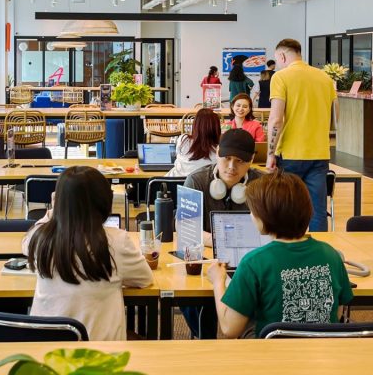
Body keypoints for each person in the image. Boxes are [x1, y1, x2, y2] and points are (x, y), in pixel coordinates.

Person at [208, 170, 354, 338]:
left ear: (264, 218)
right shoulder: (331, 255)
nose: (250, 215)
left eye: (253, 211)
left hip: (273, 358)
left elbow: (229, 329)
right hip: (321, 354)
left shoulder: (253, 262)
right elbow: (338, 312)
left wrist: (218, 281)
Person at [23, 166, 154, 340]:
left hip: (47, 356)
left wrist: (55, 211)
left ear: (58, 201)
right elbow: (145, 279)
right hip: (99, 357)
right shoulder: (116, 241)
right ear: (105, 201)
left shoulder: (39, 240)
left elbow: (27, 242)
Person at [180, 129, 262, 339]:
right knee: (188, 291)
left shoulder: (262, 185)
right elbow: (185, 229)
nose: (232, 167)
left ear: (251, 160)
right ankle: (203, 339)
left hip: (250, 263)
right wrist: (223, 243)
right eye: (226, 159)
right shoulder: (196, 181)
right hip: (207, 262)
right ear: (217, 153)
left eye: (240, 161)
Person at [266, 38, 337, 232]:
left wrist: (270, 154)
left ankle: (287, 255)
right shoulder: (325, 78)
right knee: (318, 212)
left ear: (281, 56)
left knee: (286, 209)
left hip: (290, 154)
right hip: (320, 154)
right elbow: (334, 116)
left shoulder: (280, 77)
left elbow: (276, 119)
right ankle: (319, 256)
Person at [168, 108, 220, 177]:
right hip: (203, 186)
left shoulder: (183, 140)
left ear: (195, 125)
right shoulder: (220, 150)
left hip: (174, 184)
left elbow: (177, 156)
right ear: (217, 128)